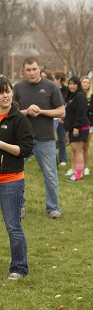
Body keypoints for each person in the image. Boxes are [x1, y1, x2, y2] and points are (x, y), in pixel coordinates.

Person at [13, 57, 65, 219]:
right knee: (16, 173)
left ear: (39, 68)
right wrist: (27, 111)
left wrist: (41, 111)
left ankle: (53, 208)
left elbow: (61, 111)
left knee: (50, 175)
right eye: (28, 70)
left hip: (46, 138)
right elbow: (11, 113)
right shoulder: (18, 88)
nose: (31, 73)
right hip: (22, 140)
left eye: (34, 69)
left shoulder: (50, 87)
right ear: (24, 71)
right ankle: (18, 206)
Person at [0, 76, 33, 279]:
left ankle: (19, 267)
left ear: (12, 92)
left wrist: (1, 144)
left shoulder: (19, 119)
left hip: (11, 180)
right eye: (1, 92)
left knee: (13, 226)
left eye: (7, 91)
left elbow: (26, 150)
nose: (5, 95)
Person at [64, 76, 90, 181]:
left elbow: (81, 112)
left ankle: (79, 174)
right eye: (70, 83)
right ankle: (75, 171)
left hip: (80, 128)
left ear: (78, 85)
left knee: (78, 151)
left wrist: (76, 127)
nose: (71, 86)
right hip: (73, 127)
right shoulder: (72, 96)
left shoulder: (80, 96)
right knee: (74, 151)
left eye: (74, 84)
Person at [80, 76, 93, 176]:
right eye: (84, 82)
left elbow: (92, 108)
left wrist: (83, 106)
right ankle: (76, 168)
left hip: (88, 124)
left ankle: (86, 167)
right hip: (78, 124)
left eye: (87, 82)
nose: (85, 84)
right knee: (77, 148)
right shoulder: (77, 95)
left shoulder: (92, 96)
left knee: (85, 146)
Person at [53, 71, 68, 166]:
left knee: (61, 138)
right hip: (53, 117)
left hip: (61, 117)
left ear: (58, 79)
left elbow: (66, 102)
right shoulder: (52, 88)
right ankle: (53, 159)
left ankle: (63, 158)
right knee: (50, 138)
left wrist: (63, 115)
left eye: (54, 78)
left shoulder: (66, 90)